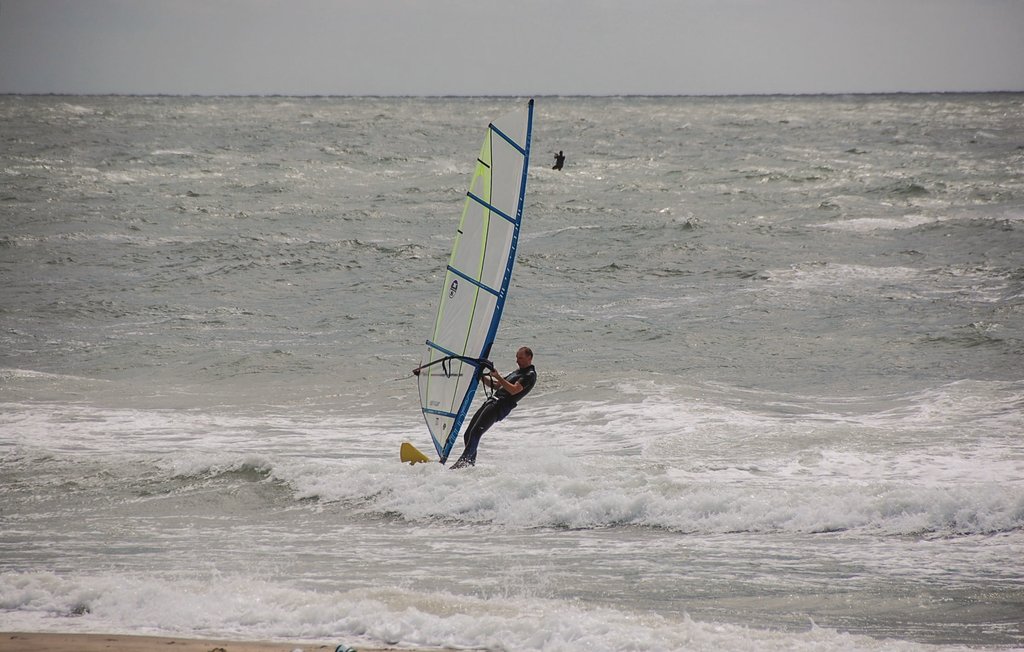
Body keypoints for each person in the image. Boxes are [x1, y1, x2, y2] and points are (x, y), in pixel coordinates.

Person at [450, 346, 537, 469]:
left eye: (520, 358)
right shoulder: (517, 372)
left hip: (499, 406)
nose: (517, 361)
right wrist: (480, 375)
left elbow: (514, 390)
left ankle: (461, 465)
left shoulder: (529, 375)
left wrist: (498, 376)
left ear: (529, 358)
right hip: (492, 402)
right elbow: (497, 385)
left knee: (475, 433)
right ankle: (469, 465)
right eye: (517, 358)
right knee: (468, 434)